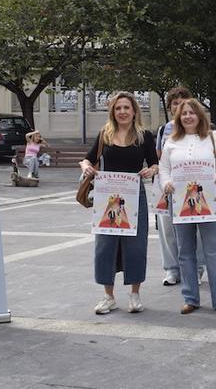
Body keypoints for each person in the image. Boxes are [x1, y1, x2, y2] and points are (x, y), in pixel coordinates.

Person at [159, 98, 216, 314]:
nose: (188, 116)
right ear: (178, 117)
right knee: (185, 251)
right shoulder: (171, 141)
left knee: (215, 250)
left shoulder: (213, 137)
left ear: (199, 115)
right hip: (180, 203)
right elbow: (164, 169)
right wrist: (166, 183)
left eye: (192, 112)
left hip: (209, 201)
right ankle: (190, 298)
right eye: (184, 113)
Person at [80, 92, 158, 315]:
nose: (122, 112)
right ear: (113, 112)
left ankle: (135, 294)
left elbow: (155, 163)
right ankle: (109, 296)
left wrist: (151, 170)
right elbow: (87, 159)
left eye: (126, 108)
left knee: (136, 245)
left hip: (134, 195)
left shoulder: (144, 136)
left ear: (134, 111)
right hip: (107, 196)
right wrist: (87, 168)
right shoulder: (105, 134)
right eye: (118, 108)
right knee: (105, 246)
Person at [155, 86, 205, 287]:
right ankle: (172, 269)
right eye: (175, 103)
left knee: (196, 229)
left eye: (183, 103)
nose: (179, 107)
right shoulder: (164, 130)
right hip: (168, 187)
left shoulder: (201, 129)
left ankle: (196, 269)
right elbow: (159, 159)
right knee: (167, 229)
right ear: (170, 107)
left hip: (193, 186)